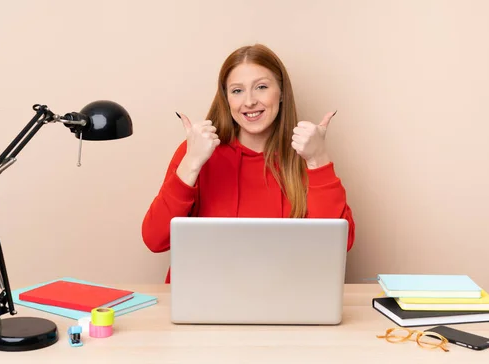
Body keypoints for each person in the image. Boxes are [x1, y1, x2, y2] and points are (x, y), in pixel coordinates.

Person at [141, 44, 355, 283]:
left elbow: (338, 247)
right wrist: (190, 163)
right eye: (237, 91)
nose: (250, 101)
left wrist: (318, 160)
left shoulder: (306, 155)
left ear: (282, 92)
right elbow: (155, 239)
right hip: (204, 299)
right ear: (226, 98)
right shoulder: (196, 153)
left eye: (261, 87)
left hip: (284, 298)